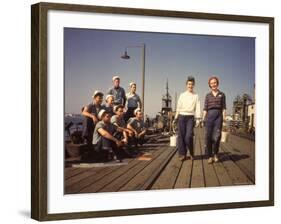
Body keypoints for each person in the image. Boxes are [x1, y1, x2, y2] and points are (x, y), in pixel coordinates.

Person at [174, 76, 201, 161]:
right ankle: (182, 154)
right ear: (186, 85)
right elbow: (178, 107)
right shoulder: (182, 95)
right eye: (189, 84)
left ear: (194, 85)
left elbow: (198, 107)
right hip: (181, 116)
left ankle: (191, 153)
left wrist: (198, 119)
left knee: (188, 136)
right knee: (181, 136)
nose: (190, 86)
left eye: (192, 84)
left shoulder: (196, 96)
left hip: (190, 117)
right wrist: (175, 117)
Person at [202, 76, 226, 164]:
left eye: (215, 82)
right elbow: (205, 108)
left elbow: (223, 108)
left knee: (217, 137)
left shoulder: (222, 94)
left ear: (217, 83)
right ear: (209, 85)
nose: (213, 84)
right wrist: (203, 119)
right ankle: (210, 156)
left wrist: (224, 120)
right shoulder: (207, 95)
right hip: (209, 117)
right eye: (211, 83)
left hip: (218, 117)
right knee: (208, 137)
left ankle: (215, 154)